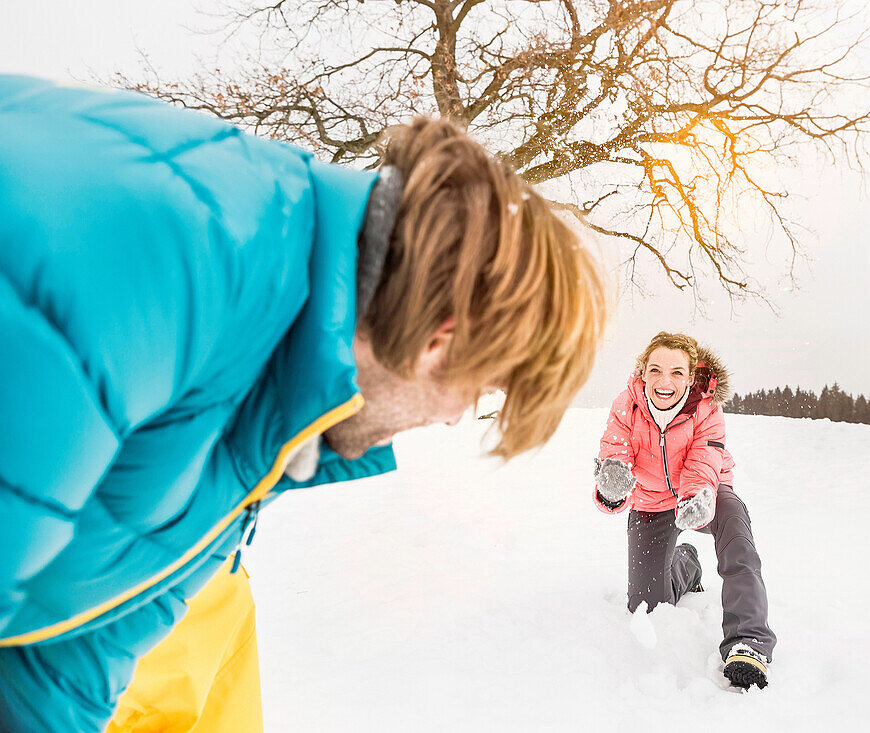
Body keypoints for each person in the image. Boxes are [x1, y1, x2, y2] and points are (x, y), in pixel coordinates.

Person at [0, 75, 606, 731]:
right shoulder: (180, 267)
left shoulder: (259, 415)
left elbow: (70, 655)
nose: (453, 417)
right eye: (478, 392)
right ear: (442, 341)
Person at [593, 332, 776, 689]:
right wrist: (612, 482)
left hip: (705, 491)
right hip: (650, 503)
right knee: (645, 604)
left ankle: (748, 641)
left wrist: (697, 496)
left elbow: (705, 458)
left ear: (691, 377)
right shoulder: (625, 406)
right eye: (656, 370)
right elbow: (614, 449)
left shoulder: (707, 408)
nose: (665, 381)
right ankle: (686, 563)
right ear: (643, 372)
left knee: (735, 530)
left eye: (677, 372)